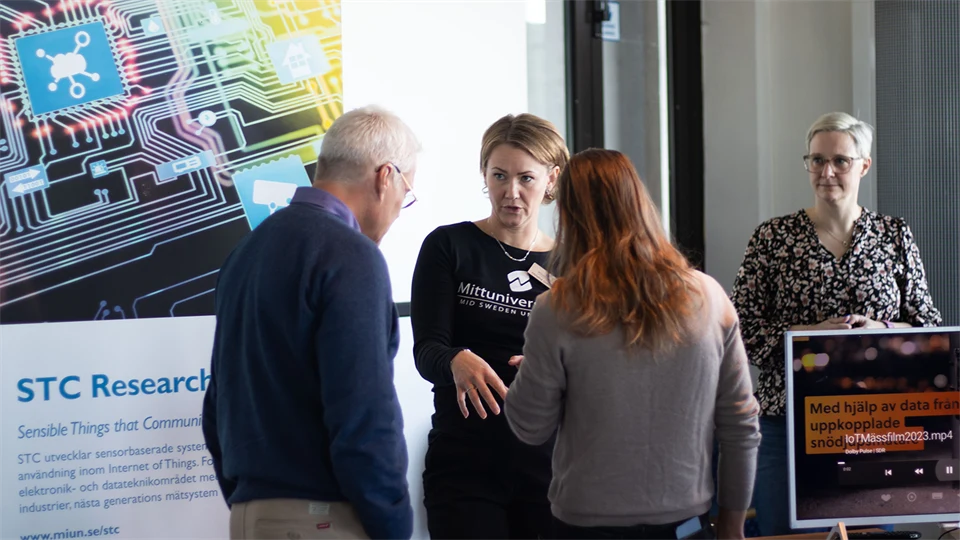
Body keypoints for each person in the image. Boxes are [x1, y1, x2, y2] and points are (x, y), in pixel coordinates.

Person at [504, 148, 761, 540]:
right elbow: (741, 424)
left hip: (586, 527)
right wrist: (731, 524)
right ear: (640, 203)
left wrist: (533, 378)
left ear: (570, 216)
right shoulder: (710, 297)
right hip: (687, 527)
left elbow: (529, 427)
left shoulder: (557, 307)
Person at [201, 105, 420, 540]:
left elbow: (217, 406)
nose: (399, 209)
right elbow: (363, 412)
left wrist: (253, 501)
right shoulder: (351, 256)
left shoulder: (246, 252)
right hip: (324, 520)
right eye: (407, 193)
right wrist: (394, 524)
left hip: (251, 516)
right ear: (386, 177)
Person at [731, 112, 943, 537]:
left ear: (864, 165)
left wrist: (881, 331)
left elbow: (929, 327)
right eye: (817, 160)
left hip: (875, 424)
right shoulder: (772, 238)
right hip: (786, 422)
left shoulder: (894, 236)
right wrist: (806, 337)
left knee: (870, 535)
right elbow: (739, 331)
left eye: (840, 161)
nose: (827, 172)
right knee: (784, 534)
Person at [410, 112, 569, 540]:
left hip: (551, 469)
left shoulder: (573, 264)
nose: (511, 192)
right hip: (465, 465)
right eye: (499, 175)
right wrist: (456, 360)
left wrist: (555, 370)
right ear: (484, 174)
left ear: (551, 179)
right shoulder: (449, 245)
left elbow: (596, 367)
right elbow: (427, 350)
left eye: (526, 178)